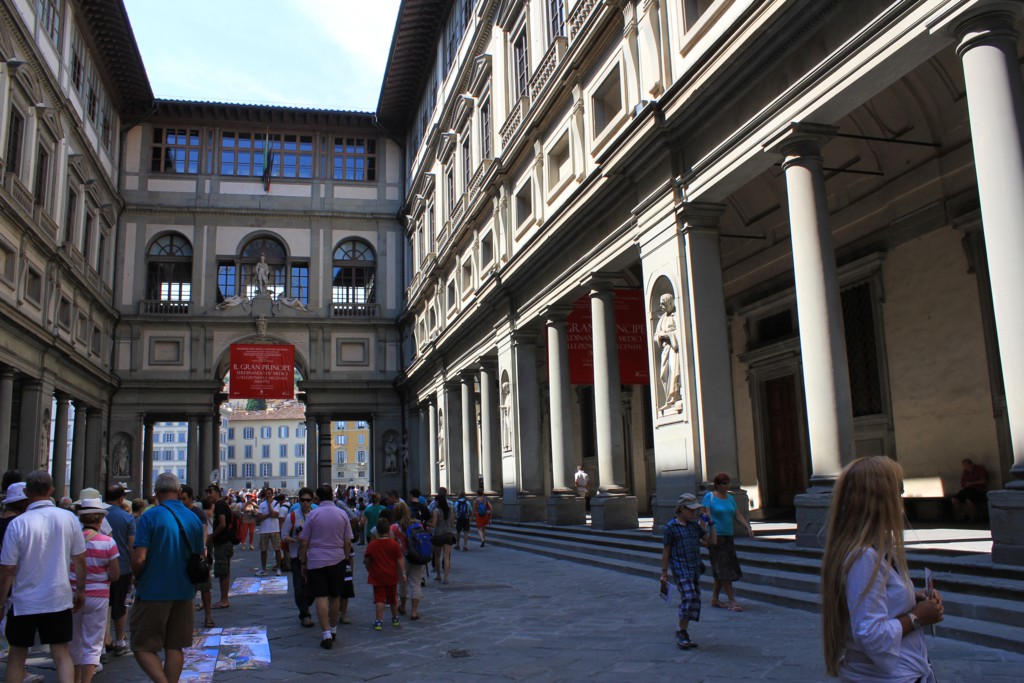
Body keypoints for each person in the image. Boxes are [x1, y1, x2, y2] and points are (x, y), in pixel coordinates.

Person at [822, 456, 945, 681]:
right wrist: (917, 617)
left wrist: (912, 597)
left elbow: (873, 603)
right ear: (880, 500)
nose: (901, 501)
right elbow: (870, 634)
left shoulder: (878, 548)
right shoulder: (864, 557)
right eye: (898, 492)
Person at [0, 471, 87, 683]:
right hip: (57, 597)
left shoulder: (18, 524)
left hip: (24, 601)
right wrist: (81, 591)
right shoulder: (69, 518)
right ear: (51, 491)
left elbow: (8, 569)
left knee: (17, 656)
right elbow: (80, 559)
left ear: (27, 492)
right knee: (61, 653)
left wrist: (1, 601)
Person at [130, 472, 204, 683]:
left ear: (156, 491)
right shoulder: (193, 518)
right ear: (179, 491)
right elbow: (199, 555)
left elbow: (139, 559)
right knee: (175, 647)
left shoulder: (150, 516)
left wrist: (137, 575)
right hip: (184, 590)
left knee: (141, 646)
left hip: (154, 590)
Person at [69, 498, 119, 683]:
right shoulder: (108, 542)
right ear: (100, 520)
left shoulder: (71, 541)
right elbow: (114, 575)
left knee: (73, 641)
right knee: (93, 643)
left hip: (73, 594)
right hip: (98, 596)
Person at [299, 485, 353, 650]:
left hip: (316, 560)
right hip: (337, 560)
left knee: (321, 596)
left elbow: (304, 541)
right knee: (335, 595)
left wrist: (303, 561)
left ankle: (326, 634)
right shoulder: (342, 514)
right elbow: (348, 541)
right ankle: (334, 628)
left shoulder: (313, 514)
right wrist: (344, 557)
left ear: (317, 499)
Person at [660, 492, 716, 650]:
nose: (694, 513)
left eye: (695, 511)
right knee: (690, 597)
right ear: (682, 509)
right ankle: (680, 631)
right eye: (691, 510)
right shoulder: (671, 527)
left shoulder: (694, 527)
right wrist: (664, 573)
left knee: (694, 601)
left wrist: (711, 524)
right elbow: (666, 550)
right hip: (680, 568)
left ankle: (683, 631)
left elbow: (712, 542)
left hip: (694, 567)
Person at [701, 473, 754, 612]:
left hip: (729, 537)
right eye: (724, 483)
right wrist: (703, 536)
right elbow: (704, 516)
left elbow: (737, 514)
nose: (727, 485)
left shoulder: (730, 498)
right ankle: (732, 601)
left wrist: (747, 526)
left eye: (728, 482)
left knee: (722, 567)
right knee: (724, 568)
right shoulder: (709, 497)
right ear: (717, 484)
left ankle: (714, 598)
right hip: (715, 537)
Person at [103, 484, 135, 658]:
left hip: (100, 569)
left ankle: (102, 642)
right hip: (122, 567)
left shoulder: (99, 516)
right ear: (121, 499)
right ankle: (120, 640)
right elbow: (132, 546)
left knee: (103, 606)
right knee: (121, 604)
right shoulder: (126, 518)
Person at [179, 485, 213, 629]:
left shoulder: (197, 512)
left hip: (197, 555)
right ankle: (185, 620)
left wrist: (202, 548)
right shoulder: (179, 512)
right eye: (179, 499)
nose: (181, 502)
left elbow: (204, 531)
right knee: (187, 590)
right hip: (182, 555)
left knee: (204, 587)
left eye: (184, 499)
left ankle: (208, 616)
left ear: (191, 498)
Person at [281, 487, 316, 627]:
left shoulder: (316, 514)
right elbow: (284, 536)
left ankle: (306, 606)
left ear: (312, 501)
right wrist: (296, 540)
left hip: (313, 556)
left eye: (308, 500)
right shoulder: (292, 516)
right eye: (303, 500)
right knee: (299, 586)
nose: (305, 503)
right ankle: (305, 614)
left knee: (313, 587)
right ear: (299, 500)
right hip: (297, 556)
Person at [365, 518, 405, 631]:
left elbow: (367, 560)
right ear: (389, 531)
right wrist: (403, 573)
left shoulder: (372, 544)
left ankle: (378, 621)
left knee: (379, 599)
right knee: (393, 598)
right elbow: (400, 559)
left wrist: (369, 569)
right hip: (391, 575)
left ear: (377, 530)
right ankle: (395, 618)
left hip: (377, 575)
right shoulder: (394, 544)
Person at [389, 501, 424, 620]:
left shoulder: (394, 527)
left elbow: (391, 544)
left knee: (402, 583)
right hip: (417, 556)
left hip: (402, 557)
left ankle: (403, 606)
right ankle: (414, 611)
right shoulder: (418, 524)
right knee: (416, 582)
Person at [205, 484, 233, 609]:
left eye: (211, 492)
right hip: (224, 542)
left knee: (223, 570)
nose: (209, 495)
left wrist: (211, 536)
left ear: (217, 492)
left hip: (223, 542)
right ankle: (224, 598)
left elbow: (222, 524)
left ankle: (224, 599)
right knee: (223, 570)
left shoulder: (220, 505)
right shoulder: (220, 505)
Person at [654, 292, 681, 409]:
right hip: (665, 350)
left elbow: (681, 332)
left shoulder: (677, 315)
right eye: (661, 305)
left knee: (674, 372)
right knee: (663, 375)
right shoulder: (663, 318)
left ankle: (676, 397)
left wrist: (668, 335)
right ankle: (669, 399)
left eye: (663, 304)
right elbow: (655, 335)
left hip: (674, 350)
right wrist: (660, 336)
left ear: (671, 302)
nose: (661, 307)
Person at [256, 487, 283, 576]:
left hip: (275, 529)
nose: (268, 495)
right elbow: (259, 518)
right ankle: (263, 568)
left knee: (277, 549)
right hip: (264, 530)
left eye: (269, 493)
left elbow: (276, 515)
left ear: (272, 494)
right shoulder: (261, 504)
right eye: (267, 493)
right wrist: (269, 514)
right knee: (263, 550)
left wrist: (269, 505)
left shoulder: (276, 503)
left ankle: (279, 568)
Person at [431, 488, 456, 585]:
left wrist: (428, 524)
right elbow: (453, 523)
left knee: (437, 556)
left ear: (438, 502)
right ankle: (446, 578)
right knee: (446, 557)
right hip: (448, 535)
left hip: (438, 535)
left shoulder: (436, 511)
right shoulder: (449, 511)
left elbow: (434, 525)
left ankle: (438, 575)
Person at [951, 458, 987, 522]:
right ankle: (963, 515)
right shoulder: (965, 471)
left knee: (969, 500)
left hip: (977, 490)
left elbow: (983, 481)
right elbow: (962, 482)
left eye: (967, 466)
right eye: (964, 467)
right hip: (967, 489)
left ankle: (972, 516)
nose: (966, 468)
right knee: (954, 500)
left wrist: (972, 483)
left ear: (971, 464)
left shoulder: (979, 469)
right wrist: (965, 484)